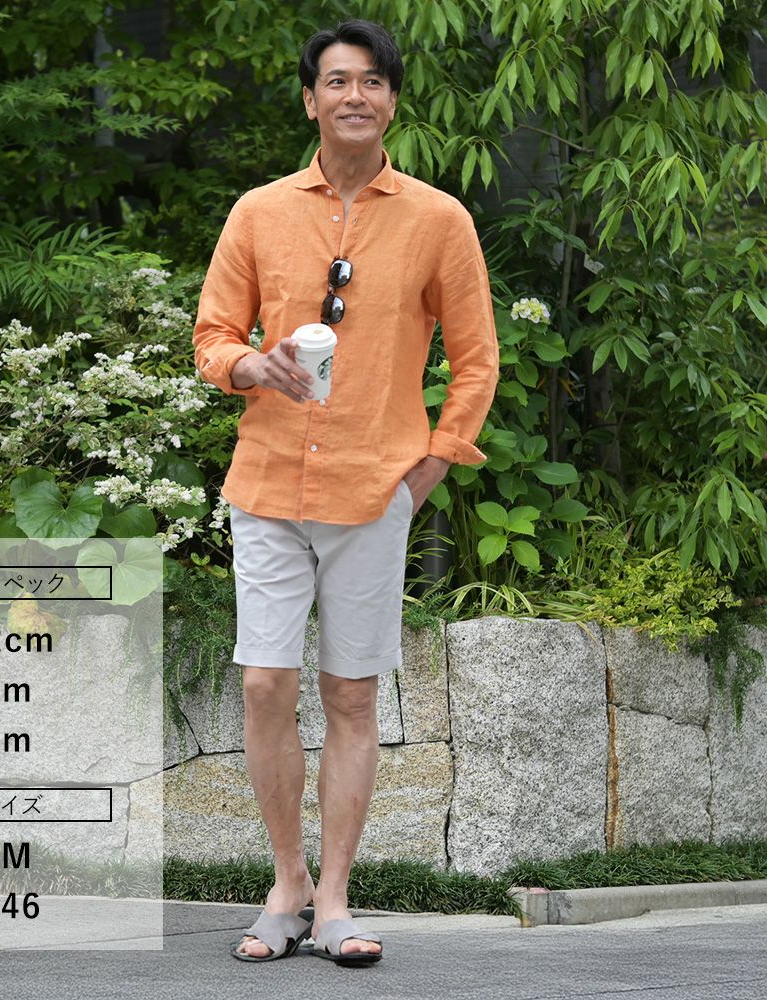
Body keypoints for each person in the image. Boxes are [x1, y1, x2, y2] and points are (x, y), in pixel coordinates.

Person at [192, 19, 499, 965]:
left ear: (392, 100)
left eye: (371, 81)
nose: (354, 96)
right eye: (336, 81)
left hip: (374, 489)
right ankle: (285, 885)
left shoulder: (439, 219)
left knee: (352, 695)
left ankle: (334, 902)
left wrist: (432, 465)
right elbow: (211, 338)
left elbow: (477, 360)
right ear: (309, 100)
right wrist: (251, 367)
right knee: (264, 684)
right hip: (268, 481)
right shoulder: (258, 212)